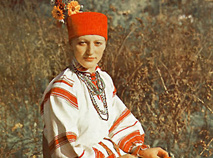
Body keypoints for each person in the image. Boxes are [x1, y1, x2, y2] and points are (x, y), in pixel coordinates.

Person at [41, 1, 170, 158]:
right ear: (71, 44)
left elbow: (119, 122)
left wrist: (140, 150)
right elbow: (66, 152)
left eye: (97, 43)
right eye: (82, 43)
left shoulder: (103, 80)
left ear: (105, 45)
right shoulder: (63, 89)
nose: (90, 51)